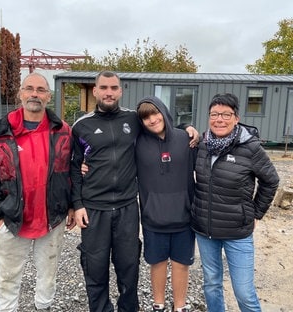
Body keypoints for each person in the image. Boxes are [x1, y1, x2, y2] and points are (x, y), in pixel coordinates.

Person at [70, 71, 199, 312]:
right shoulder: (81, 126)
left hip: (128, 206)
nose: (109, 92)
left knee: (128, 267)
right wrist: (77, 204)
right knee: (95, 267)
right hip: (95, 208)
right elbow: (74, 167)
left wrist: (187, 127)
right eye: (104, 87)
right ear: (95, 90)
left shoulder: (133, 120)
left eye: (114, 88)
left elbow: (160, 124)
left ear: (121, 91)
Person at [0, 72, 75, 312]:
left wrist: (71, 205)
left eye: (41, 90)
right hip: (11, 219)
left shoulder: (63, 131)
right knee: (8, 278)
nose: (35, 94)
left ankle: (44, 307)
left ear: (48, 97)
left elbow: (72, 170)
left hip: (51, 218)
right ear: (20, 94)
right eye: (29, 88)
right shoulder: (0, 132)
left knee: (48, 275)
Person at [191, 93, 280, 312]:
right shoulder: (201, 144)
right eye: (214, 114)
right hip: (205, 231)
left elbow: (271, 180)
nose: (219, 119)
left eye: (225, 114)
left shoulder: (250, 148)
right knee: (211, 284)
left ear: (236, 118)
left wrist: (257, 213)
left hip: (237, 232)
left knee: (244, 293)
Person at [135, 96, 197, 312]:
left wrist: (189, 128)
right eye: (146, 117)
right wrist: (86, 165)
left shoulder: (186, 139)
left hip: (184, 216)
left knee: (181, 265)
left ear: (163, 111)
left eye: (155, 113)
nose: (152, 120)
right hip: (153, 217)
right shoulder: (137, 143)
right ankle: (158, 304)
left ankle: (180, 306)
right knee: (158, 263)